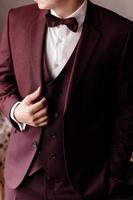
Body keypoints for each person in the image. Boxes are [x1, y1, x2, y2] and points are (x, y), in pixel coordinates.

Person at [0, 0, 133, 199]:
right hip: (23, 181)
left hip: (86, 185)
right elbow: (2, 81)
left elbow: (127, 111)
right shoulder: (16, 19)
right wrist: (16, 111)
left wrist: (112, 173)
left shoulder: (120, 32)